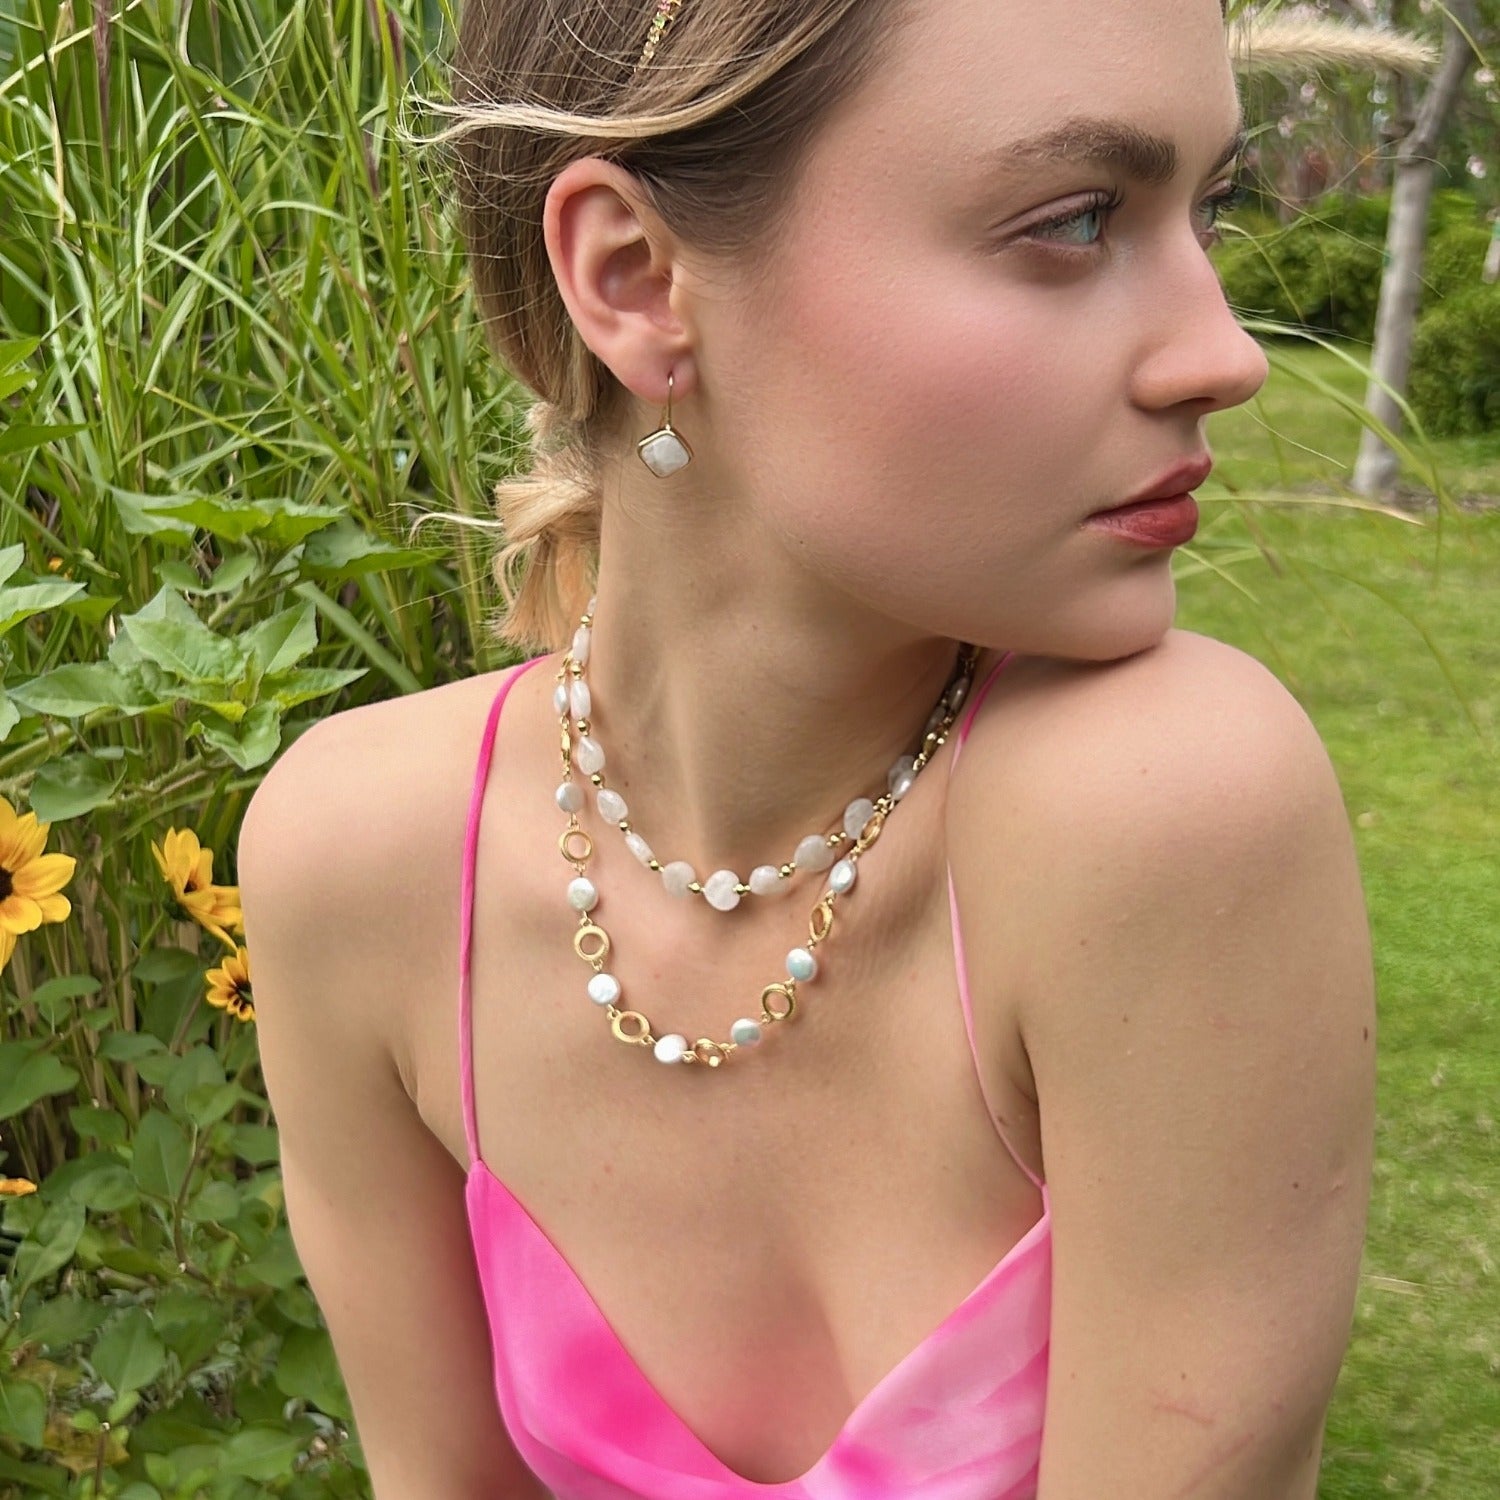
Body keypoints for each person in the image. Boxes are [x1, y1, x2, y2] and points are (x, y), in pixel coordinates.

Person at [239, 1, 1377, 1496]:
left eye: (1208, 209)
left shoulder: (1163, 807)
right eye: (1076, 219)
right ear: (637, 280)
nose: (1225, 355)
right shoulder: (359, 857)